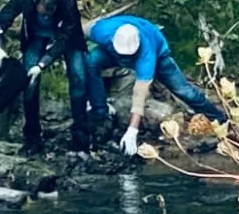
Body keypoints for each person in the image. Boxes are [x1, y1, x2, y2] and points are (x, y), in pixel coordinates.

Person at [0, 0, 102, 153]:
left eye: (51, 13)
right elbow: (5, 16)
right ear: (35, 2)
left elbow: (65, 38)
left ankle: (81, 134)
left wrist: (42, 64)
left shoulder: (67, 0)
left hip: (67, 38)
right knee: (29, 84)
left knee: (78, 79)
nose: (47, 17)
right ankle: (32, 137)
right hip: (35, 36)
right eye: (44, 13)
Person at [86, 15, 228, 156]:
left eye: (129, 56)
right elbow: (75, 31)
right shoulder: (101, 31)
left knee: (184, 91)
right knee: (91, 62)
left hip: (160, 58)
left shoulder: (147, 54)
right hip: (111, 53)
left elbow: (139, 95)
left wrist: (132, 130)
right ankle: (100, 112)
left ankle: (219, 118)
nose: (126, 59)